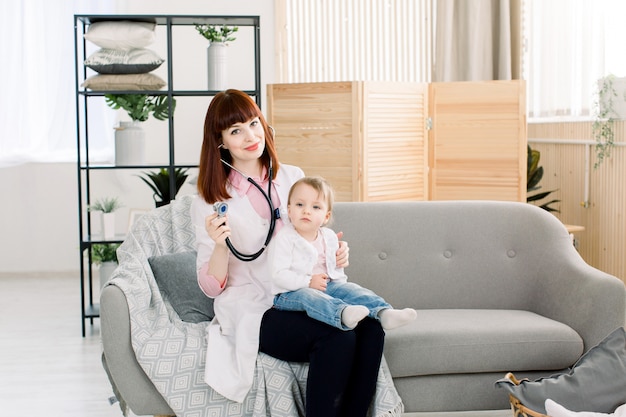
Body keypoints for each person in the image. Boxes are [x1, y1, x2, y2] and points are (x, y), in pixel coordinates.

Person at [190, 89, 386, 417]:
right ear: (220, 141)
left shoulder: (291, 178)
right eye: (236, 130)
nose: (251, 136)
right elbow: (211, 287)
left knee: (371, 327)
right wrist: (221, 245)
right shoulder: (209, 200)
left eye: (254, 123)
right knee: (337, 337)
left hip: (299, 292)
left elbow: (310, 235)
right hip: (256, 307)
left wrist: (333, 251)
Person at [268, 176, 417, 330]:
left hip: (328, 286)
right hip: (291, 294)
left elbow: (336, 271)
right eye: (300, 204)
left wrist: (342, 285)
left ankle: (384, 312)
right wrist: (308, 282)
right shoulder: (285, 238)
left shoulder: (329, 237)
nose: (306, 211)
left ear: (326, 216)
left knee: (354, 290)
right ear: (290, 210)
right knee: (310, 296)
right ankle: (342, 313)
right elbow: (278, 275)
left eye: (316, 207)